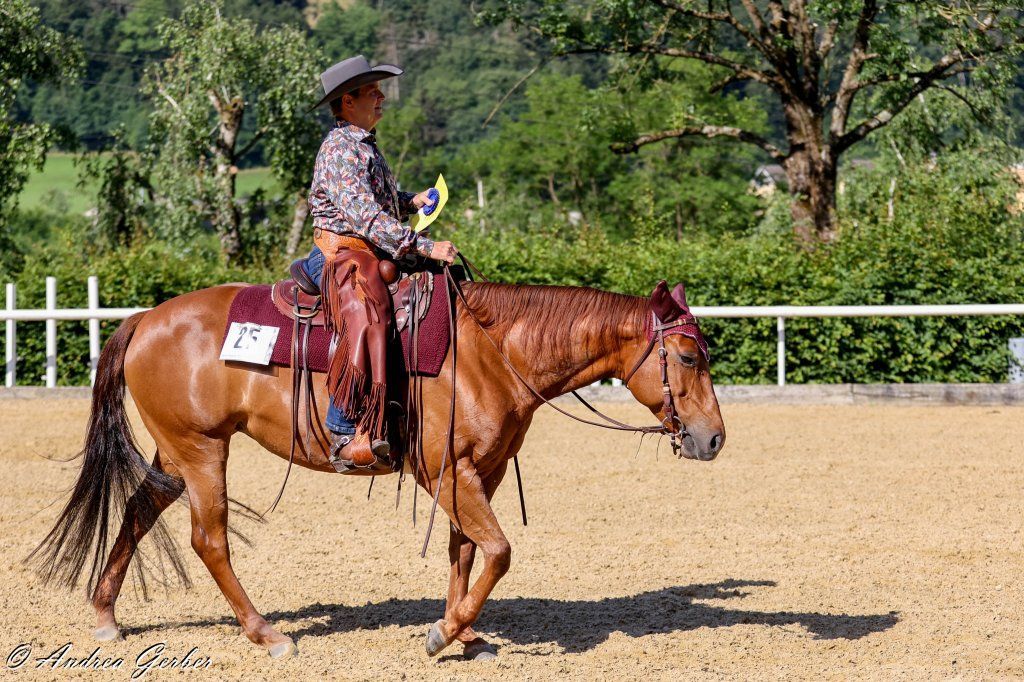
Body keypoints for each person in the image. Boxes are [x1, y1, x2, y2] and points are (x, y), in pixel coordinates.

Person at [301, 55, 458, 471]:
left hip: (368, 250)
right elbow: (365, 217)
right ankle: (344, 427)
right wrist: (422, 246)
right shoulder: (339, 150)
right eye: (373, 91)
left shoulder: (363, 144)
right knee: (368, 315)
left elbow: (379, 204)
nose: (382, 97)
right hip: (340, 255)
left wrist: (411, 201)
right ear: (347, 101)